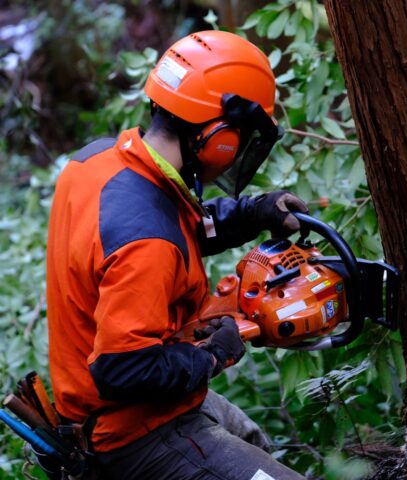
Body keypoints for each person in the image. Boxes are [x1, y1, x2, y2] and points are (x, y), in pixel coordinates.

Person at [46, 30, 307, 479]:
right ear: (220, 136)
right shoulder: (148, 242)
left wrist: (254, 212)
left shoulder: (100, 162)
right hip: (133, 432)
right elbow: (122, 369)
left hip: (123, 407)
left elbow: (171, 222)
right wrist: (211, 356)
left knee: (255, 444)